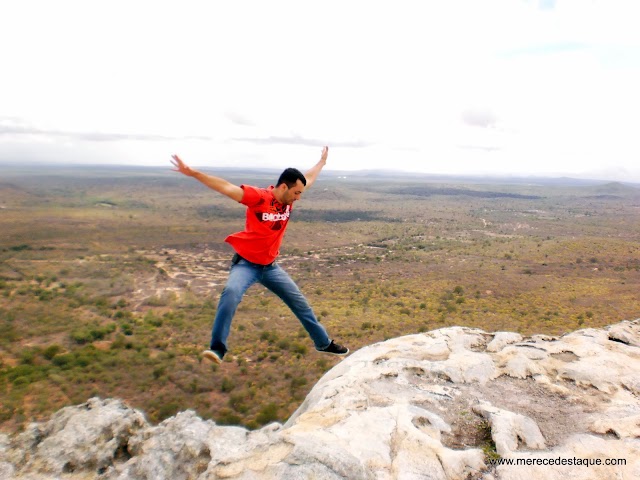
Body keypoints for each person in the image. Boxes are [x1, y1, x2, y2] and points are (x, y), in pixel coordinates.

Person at [170, 146, 349, 365]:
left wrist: (322, 162)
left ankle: (323, 343)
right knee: (231, 293)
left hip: (271, 268)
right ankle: (217, 349)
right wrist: (193, 173)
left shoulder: (291, 195)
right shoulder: (258, 197)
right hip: (246, 265)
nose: (299, 198)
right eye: (296, 193)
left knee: (300, 305)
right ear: (284, 186)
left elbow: (308, 178)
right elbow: (226, 187)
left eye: (300, 193)